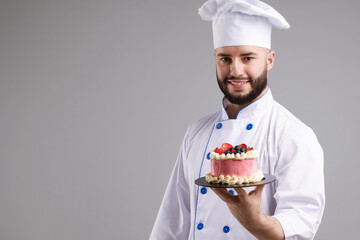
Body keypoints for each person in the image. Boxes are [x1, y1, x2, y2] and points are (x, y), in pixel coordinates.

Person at [149, 0, 325, 239]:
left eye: (248, 58)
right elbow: (172, 220)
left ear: (270, 60)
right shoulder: (196, 132)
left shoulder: (294, 135)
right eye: (225, 59)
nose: (236, 71)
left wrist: (255, 222)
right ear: (215, 58)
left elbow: (301, 223)